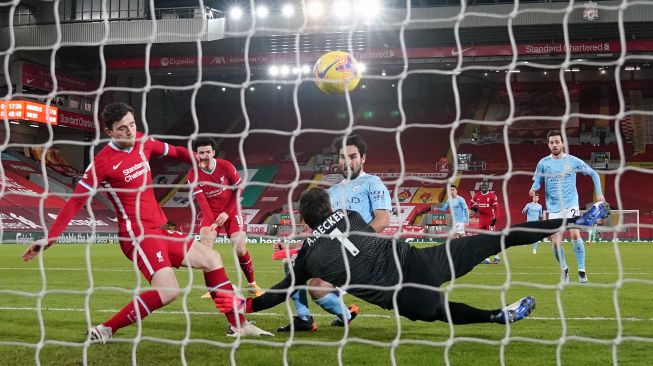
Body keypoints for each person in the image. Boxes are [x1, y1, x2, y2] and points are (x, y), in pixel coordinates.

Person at [21, 103, 272, 341]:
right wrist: (50, 237)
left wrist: (193, 157)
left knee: (212, 258)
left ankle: (239, 325)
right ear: (109, 132)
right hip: (137, 236)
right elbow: (76, 201)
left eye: (132, 124)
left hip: (159, 230)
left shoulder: (142, 141)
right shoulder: (102, 164)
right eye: (122, 127)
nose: (130, 130)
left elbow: (173, 151)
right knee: (169, 291)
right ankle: (106, 329)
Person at [215, 188, 610, 328]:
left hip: (398, 295)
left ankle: (497, 317)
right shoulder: (350, 215)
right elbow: (368, 227)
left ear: (303, 219)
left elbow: (280, 294)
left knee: (443, 312)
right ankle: (575, 218)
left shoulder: (305, 258)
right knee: (497, 239)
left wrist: (244, 302)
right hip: (418, 261)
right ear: (330, 205)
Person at [276, 135, 392, 332]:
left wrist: (355, 241)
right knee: (291, 262)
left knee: (312, 283)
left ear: (363, 158)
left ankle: (343, 313)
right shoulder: (332, 191)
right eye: (342, 157)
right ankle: (308, 318)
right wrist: (294, 244)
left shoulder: (373, 183)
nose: (347, 162)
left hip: (360, 255)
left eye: (353, 156)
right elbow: (319, 228)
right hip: (333, 253)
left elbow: (383, 220)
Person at [187, 137, 263, 298]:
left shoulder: (225, 166)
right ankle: (213, 288)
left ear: (213, 152)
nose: (206, 155)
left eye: (208, 152)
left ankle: (252, 284)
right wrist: (212, 223)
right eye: (202, 153)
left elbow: (239, 189)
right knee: (205, 248)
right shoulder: (193, 174)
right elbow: (202, 202)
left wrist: (227, 212)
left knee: (240, 248)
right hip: (211, 213)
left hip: (232, 210)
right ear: (196, 155)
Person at [530, 130, 606, 284]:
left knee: (575, 235)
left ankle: (582, 271)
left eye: (557, 142)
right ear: (548, 145)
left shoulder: (573, 161)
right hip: (553, 207)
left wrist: (599, 194)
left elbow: (594, 174)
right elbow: (538, 181)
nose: (555, 145)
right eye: (551, 142)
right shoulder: (543, 163)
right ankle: (564, 269)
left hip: (571, 203)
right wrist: (533, 188)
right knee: (555, 242)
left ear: (563, 143)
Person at [471, 180, 500, 264]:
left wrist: (495, 219)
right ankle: (486, 259)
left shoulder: (492, 196)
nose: (484, 187)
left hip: (490, 220)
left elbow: (496, 208)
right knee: (483, 240)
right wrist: (473, 208)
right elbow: (470, 204)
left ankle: (497, 257)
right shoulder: (477, 195)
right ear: (480, 187)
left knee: (492, 239)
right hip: (481, 220)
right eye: (482, 186)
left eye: (485, 186)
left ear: (488, 187)